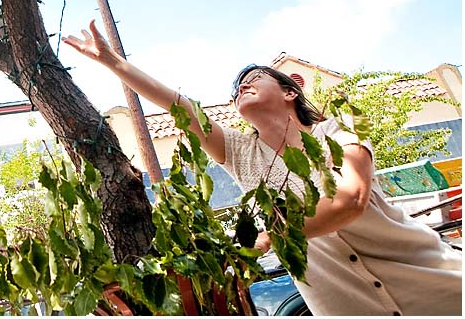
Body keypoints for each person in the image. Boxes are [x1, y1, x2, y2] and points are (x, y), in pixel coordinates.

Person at [63, 20, 462, 316]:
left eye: (252, 79)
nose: (241, 88)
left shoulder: (341, 129)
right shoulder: (240, 154)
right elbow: (177, 105)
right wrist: (115, 63)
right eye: (236, 88)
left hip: (437, 288)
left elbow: (349, 200)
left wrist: (271, 236)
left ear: (290, 91)